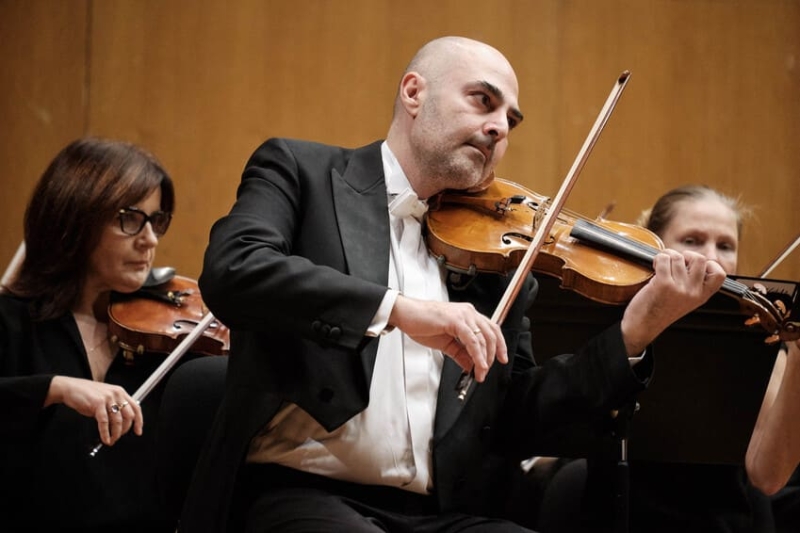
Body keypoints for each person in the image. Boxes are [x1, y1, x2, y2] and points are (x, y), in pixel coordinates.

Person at [178, 36, 725, 533]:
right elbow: (235, 269)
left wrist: (634, 332)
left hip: (438, 516)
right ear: (414, 92)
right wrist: (399, 309)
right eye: (482, 102)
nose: (499, 128)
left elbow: (519, 416)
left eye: (511, 119)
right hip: (296, 494)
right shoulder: (303, 172)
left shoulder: (493, 262)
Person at [538, 184, 789, 533]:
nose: (711, 258)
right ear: (655, 246)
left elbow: (770, 477)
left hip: (723, 520)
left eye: (725, 245)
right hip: (614, 511)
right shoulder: (615, 323)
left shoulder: (757, 334)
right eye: (692, 240)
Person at [0, 137, 178, 532]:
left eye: (157, 220)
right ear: (76, 219)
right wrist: (56, 388)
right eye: (130, 218)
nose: (149, 239)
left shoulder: (164, 339)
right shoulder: (13, 321)